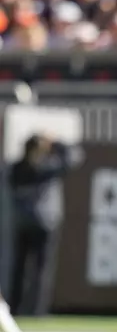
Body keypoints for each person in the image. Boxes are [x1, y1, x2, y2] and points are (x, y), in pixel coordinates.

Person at [9, 134, 70, 315]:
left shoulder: (17, 168)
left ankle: (27, 309)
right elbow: (71, 158)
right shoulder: (46, 168)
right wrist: (55, 142)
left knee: (33, 269)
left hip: (31, 223)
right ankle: (31, 310)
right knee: (30, 269)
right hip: (41, 222)